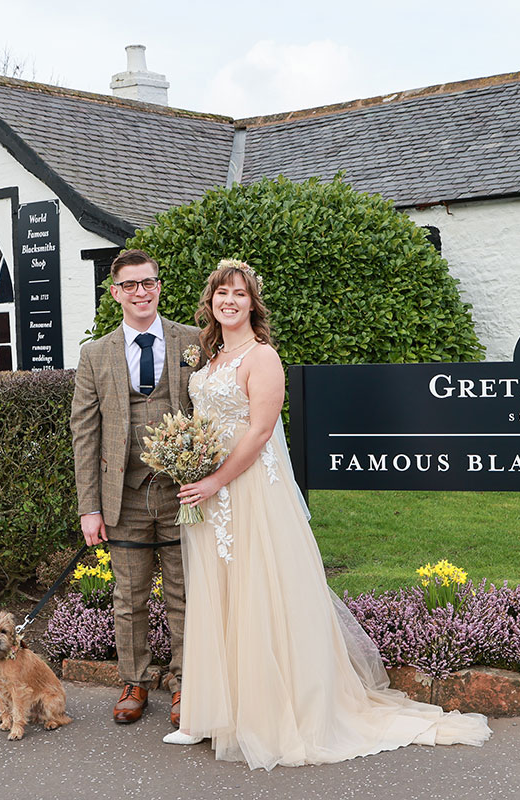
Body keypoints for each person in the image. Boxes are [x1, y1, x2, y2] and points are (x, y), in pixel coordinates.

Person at [166, 259, 491, 769]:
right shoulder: (208, 361)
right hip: (212, 496)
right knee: (218, 593)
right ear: (210, 303)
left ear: (253, 303)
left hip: (250, 489)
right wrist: (189, 462)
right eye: (221, 294)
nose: (229, 301)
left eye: (239, 294)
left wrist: (214, 479)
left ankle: (270, 714)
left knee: (259, 594)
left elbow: (257, 433)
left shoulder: (262, 357)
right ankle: (213, 715)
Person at [70, 249, 202, 728]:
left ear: (158, 286)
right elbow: (84, 432)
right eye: (130, 285)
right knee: (129, 597)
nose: (140, 292)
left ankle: (187, 681)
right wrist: (90, 507)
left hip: (182, 491)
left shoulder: (193, 341)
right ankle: (134, 679)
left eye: (148, 282)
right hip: (121, 494)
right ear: (115, 293)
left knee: (187, 593)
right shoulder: (95, 354)